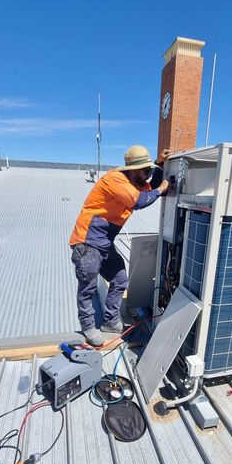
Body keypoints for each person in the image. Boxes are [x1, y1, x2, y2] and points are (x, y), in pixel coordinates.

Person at [69, 145, 170, 346]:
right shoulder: (115, 179)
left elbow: (151, 189)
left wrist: (159, 164)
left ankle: (110, 322)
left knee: (120, 279)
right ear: (133, 170)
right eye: (146, 170)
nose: (149, 175)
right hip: (88, 241)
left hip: (105, 242)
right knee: (87, 287)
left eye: (150, 170)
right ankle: (89, 327)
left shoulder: (136, 182)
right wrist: (162, 188)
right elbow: (140, 201)